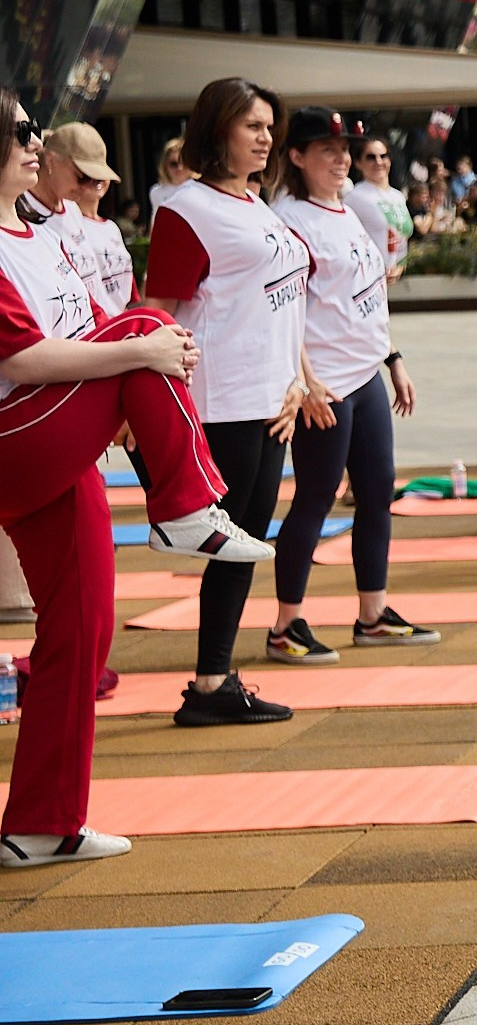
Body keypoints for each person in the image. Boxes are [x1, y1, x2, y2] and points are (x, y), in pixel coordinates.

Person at [0, 86, 271, 867]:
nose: (33, 140)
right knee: (148, 329)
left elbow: (89, 324)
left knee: (83, 631)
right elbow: (20, 359)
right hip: (14, 436)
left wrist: (144, 368)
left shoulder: (44, 230)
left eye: (34, 128)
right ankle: (185, 507)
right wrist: (142, 354)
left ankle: (42, 825)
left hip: (54, 428)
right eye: (18, 130)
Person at [144, 77, 321, 727]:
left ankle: (215, 680)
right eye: (253, 125)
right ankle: (210, 683)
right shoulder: (187, 208)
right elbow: (155, 312)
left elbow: (284, 303)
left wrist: (299, 381)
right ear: (218, 129)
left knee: (246, 543)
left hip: (274, 401)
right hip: (223, 401)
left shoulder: (256, 203)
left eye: (270, 127)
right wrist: (142, 410)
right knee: (229, 544)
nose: (267, 137)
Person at [267, 107, 438, 662]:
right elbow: (281, 312)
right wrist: (307, 383)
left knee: (377, 492)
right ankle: (286, 626)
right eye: (327, 149)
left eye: (346, 149)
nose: (342, 158)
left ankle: (372, 614)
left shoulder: (346, 208)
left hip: (363, 374)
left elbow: (368, 296)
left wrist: (393, 359)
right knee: (314, 499)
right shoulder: (289, 219)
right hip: (327, 385)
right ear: (296, 156)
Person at [29, 126, 125, 312]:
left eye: (96, 179)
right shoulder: (23, 212)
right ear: (51, 161)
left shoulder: (72, 209)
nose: (88, 186)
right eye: (82, 176)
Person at [349, 133, 412, 278]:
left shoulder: (398, 197)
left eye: (383, 156)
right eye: (371, 157)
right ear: (358, 163)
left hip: (397, 279)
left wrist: (400, 268)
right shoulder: (354, 197)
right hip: (368, 280)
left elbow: (403, 238)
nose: (378, 161)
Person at [147, 137, 188, 213]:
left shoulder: (199, 188)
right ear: (165, 166)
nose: (180, 168)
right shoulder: (156, 192)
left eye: (184, 163)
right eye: (174, 164)